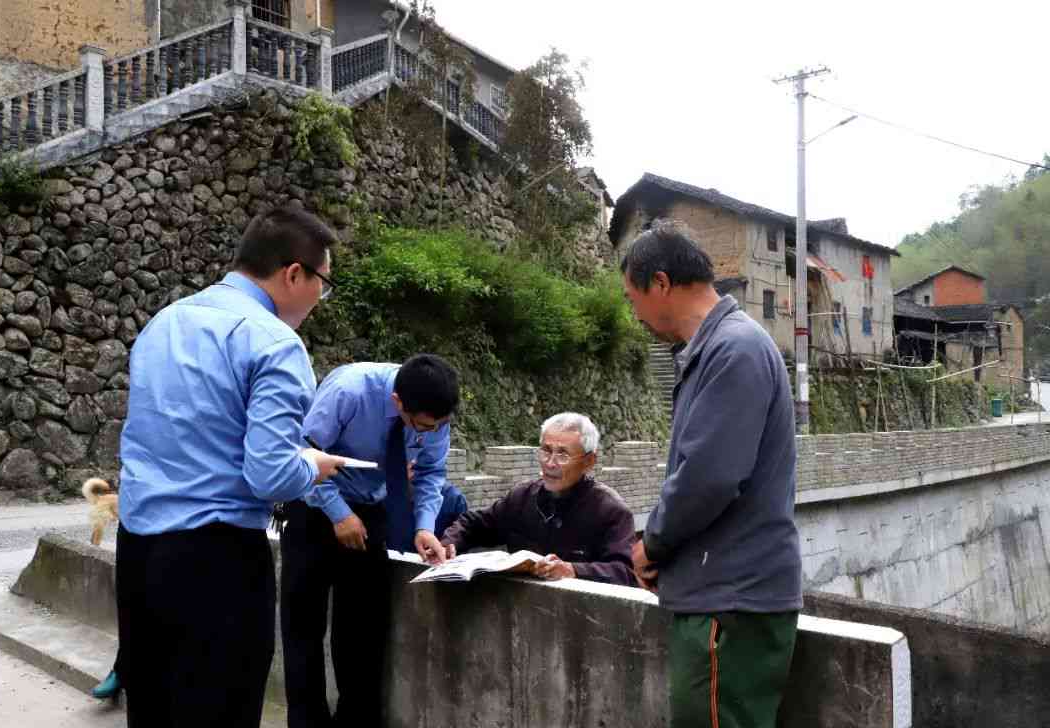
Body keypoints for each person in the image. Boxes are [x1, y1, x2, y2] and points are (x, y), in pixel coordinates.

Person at [116, 207, 346, 728]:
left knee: (153, 707)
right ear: (294, 273)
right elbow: (269, 475)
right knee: (219, 709)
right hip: (216, 560)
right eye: (322, 283)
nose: (319, 298)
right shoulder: (273, 342)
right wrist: (310, 465)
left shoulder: (164, 321)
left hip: (138, 550)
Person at [621, 220, 802, 728]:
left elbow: (709, 476)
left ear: (660, 284)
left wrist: (652, 544)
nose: (633, 313)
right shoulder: (717, 347)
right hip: (722, 596)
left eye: (632, 297)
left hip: (730, 602)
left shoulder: (734, 348)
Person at [281, 355, 458, 728]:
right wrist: (338, 513)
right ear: (398, 403)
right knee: (304, 624)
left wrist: (423, 526)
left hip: (372, 508)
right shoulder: (349, 390)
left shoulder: (434, 415)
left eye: (437, 427)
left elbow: (429, 472)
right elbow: (301, 453)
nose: (427, 435)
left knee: (363, 627)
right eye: (421, 427)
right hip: (313, 504)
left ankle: (356, 719)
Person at [441, 412, 637, 587]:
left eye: (563, 454)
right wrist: (449, 544)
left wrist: (573, 570)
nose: (550, 463)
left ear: (589, 461)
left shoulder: (611, 511)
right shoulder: (522, 497)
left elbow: (626, 572)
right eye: (546, 450)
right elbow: (474, 523)